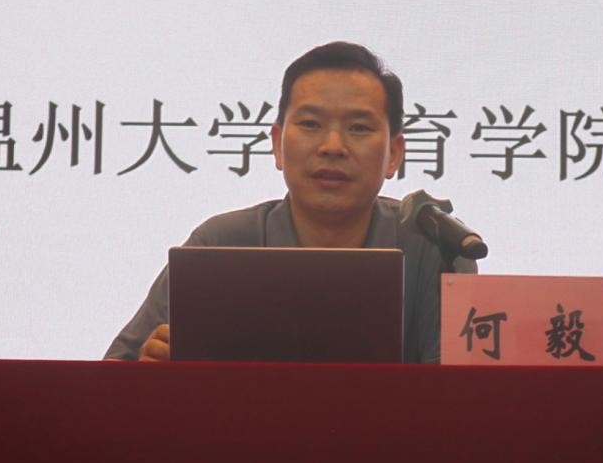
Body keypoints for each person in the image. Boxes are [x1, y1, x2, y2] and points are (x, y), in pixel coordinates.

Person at [104, 41, 470, 364]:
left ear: (394, 154)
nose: (332, 146)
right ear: (277, 144)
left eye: (359, 128)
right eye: (310, 124)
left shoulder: (435, 247)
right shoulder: (220, 243)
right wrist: (151, 367)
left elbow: (462, 394)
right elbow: (114, 376)